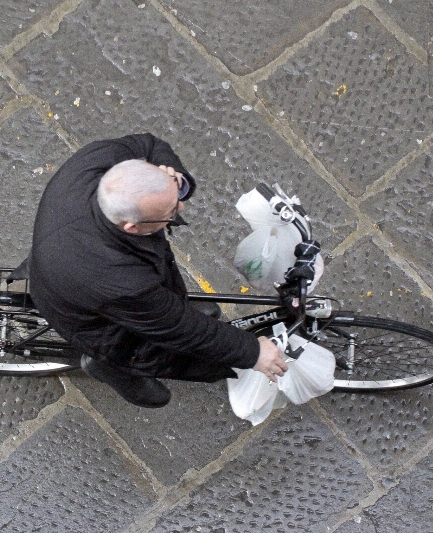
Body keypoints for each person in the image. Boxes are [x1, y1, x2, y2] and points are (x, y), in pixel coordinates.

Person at [28, 133, 288, 408]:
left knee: (169, 301)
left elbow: (149, 145)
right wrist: (252, 352)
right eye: (172, 212)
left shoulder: (93, 161)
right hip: (93, 318)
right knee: (178, 356)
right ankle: (106, 365)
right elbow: (179, 326)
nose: (182, 206)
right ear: (132, 227)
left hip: (65, 257)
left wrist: (171, 175)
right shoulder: (120, 281)